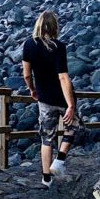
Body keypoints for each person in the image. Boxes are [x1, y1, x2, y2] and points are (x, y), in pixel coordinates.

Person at [22, 10, 81, 189]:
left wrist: (32, 89)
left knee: (47, 138)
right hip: (62, 97)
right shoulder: (59, 46)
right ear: (55, 27)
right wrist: (70, 105)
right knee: (73, 127)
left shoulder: (28, 45)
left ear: (38, 25)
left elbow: (26, 74)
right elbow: (63, 77)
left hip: (44, 98)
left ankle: (46, 178)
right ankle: (60, 160)